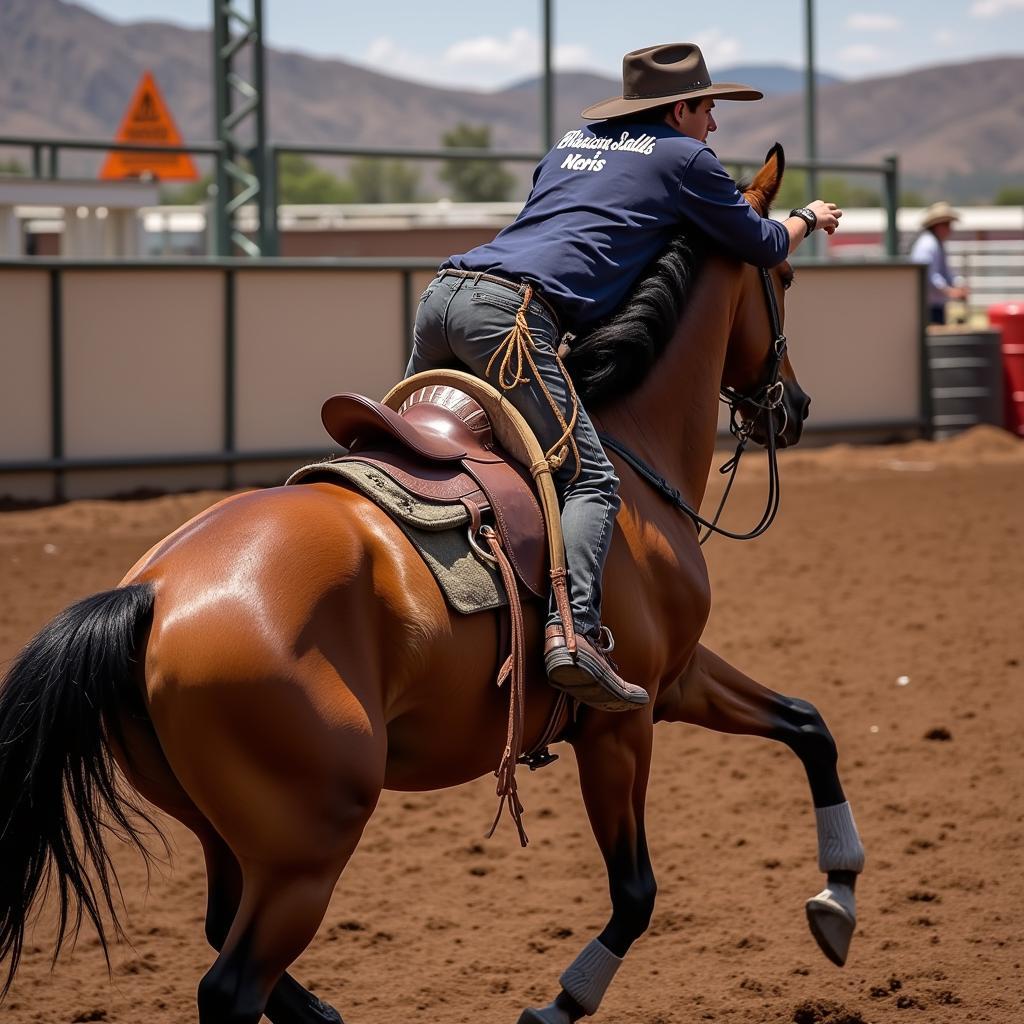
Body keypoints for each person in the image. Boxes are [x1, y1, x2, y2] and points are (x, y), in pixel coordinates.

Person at [407, 42, 842, 713]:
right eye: (708, 108)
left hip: (444, 295)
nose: (714, 126)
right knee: (590, 477)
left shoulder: (573, 143)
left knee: (410, 456)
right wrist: (807, 218)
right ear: (680, 108)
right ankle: (573, 636)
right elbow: (757, 244)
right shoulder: (685, 158)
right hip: (513, 319)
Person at [911, 201, 968, 325]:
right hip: (927, 305)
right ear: (937, 225)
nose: (950, 229)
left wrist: (958, 284)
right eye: (947, 224)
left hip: (934, 303)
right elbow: (929, 275)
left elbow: (945, 272)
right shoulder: (927, 245)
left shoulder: (936, 244)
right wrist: (950, 291)